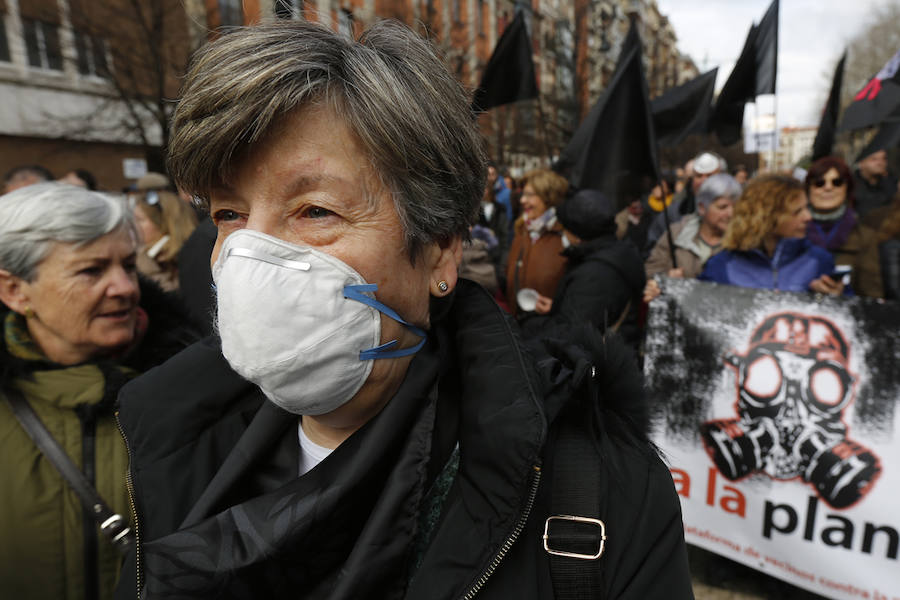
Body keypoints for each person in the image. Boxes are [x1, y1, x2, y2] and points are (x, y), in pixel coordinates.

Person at [113, 20, 692, 600]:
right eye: (228, 216)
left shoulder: (602, 491)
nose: (253, 257)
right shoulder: (168, 442)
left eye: (315, 211)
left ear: (440, 250)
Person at [0, 182, 199, 600]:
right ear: (15, 291)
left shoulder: (196, 388)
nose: (126, 288)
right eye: (91, 271)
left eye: (128, 265)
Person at [523, 189, 646, 353]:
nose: (563, 234)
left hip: (601, 367)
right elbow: (592, 310)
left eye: (566, 229)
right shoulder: (619, 252)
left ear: (579, 236)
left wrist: (529, 324)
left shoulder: (596, 274)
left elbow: (572, 334)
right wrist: (558, 307)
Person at [700, 175, 843, 294]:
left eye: (807, 208)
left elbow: (845, 319)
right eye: (797, 211)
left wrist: (833, 299)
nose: (808, 217)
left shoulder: (819, 261)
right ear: (767, 217)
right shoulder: (721, 266)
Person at [643, 173, 742, 302]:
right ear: (702, 207)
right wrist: (666, 278)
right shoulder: (676, 234)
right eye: (722, 207)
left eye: (736, 207)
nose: (731, 213)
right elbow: (649, 271)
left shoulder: (745, 242)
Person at [804, 156, 883, 297]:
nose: (828, 188)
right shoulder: (791, 231)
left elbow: (872, 295)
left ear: (847, 188)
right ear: (808, 189)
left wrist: (843, 296)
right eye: (819, 183)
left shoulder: (865, 236)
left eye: (837, 182)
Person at [505, 168, 572, 319]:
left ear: (548, 198)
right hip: (518, 325)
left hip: (550, 329)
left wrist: (557, 309)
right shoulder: (522, 230)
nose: (522, 200)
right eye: (523, 194)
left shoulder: (565, 237)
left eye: (529, 195)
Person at [130, 172, 198, 291]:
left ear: (164, 223)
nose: (134, 226)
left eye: (140, 220)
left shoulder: (177, 262)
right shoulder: (144, 254)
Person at [645, 151, 725, 252]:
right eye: (699, 176)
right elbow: (651, 252)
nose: (704, 181)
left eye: (710, 175)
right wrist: (666, 267)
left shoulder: (735, 214)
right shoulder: (672, 214)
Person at [853, 149, 897, 219]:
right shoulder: (852, 184)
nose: (880, 163)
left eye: (884, 158)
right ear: (861, 163)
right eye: (873, 159)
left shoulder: (891, 181)